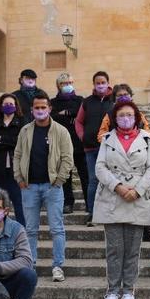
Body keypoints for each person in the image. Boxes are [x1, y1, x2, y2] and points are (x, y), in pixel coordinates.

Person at [93, 100, 150, 299]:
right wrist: (118, 186)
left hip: (137, 198)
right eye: (121, 115)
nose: (125, 118)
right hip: (113, 197)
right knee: (114, 249)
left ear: (136, 117)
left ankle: (129, 292)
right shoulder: (107, 139)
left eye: (129, 115)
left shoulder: (147, 139)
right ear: (115, 118)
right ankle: (112, 292)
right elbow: (100, 167)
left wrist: (137, 190)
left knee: (132, 250)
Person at [14, 90, 73, 282]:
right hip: (29, 187)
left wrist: (59, 181)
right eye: (37, 107)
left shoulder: (61, 131)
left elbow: (67, 159)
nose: (40, 110)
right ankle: (30, 265)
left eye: (43, 107)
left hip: (52, 186)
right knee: (30, 229)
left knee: (57, 228)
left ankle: (58, 266)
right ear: (31, 110)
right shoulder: (25, 131)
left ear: (49, 108)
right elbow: (17, 155)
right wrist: (19, 178)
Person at [75, 71, 114, 226]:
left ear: (108, 82)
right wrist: (82, 136)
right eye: (97, 83)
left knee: (111, 181)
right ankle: (92, 213)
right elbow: (78, 121)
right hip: (90, 148)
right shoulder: (87, 102)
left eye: (103, 82)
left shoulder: (113, 101)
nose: (100, 85)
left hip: (110, 148)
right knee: (93, 181)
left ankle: (110, 213)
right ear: (94, 84)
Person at [0, 94, 26, 225]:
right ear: (1, 106)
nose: (8, 107)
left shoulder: (22, 122)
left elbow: (21, 143)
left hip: (16, 170)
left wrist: (2, 139)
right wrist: (9, 141)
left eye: (11, 104)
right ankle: (1, 228)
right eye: (6, 104)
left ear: (16, 106)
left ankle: (21, 230)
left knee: (18, 202)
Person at [50, 73, 88, 215]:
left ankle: (89, 203)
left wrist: (66, 113)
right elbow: (52, 117)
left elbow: (81, 115)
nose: (68, 85)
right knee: (65, 176)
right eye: (64, 83)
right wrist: (69, 116)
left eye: (70, 82)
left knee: (85, 175)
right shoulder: (53, 102)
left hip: (79, 143)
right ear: (59, 86)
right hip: (61, 144)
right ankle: (68, 202)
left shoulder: (80, 100)